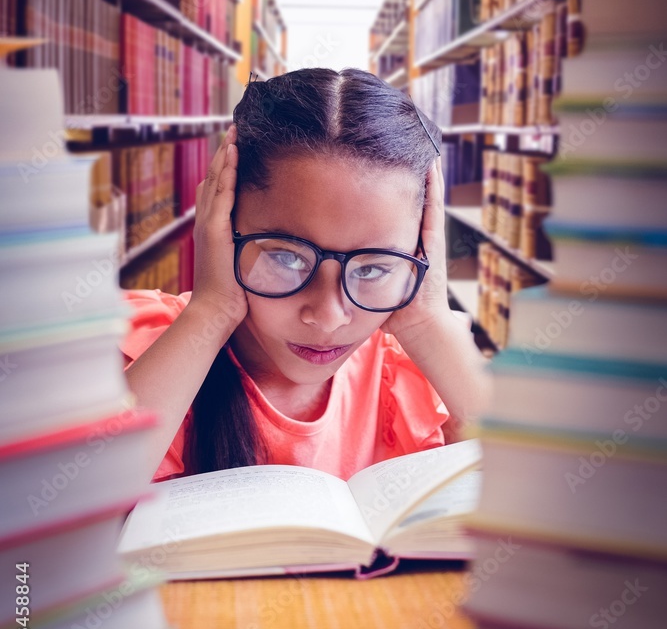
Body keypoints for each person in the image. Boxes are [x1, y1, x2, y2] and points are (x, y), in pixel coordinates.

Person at [121, 67, 491, 482]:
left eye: (373, 268)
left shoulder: (411, 375)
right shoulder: (149, 353)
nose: (329, 317)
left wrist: (428, 321)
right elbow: (61, 511)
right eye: (287, 258)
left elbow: (536, 498)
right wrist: (212, 310)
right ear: (220, 226)